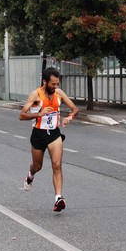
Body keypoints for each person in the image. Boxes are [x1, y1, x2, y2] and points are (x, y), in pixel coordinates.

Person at [19, 67, 79, 212]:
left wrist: (69, 117)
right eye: (53, 84)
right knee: (37, 166)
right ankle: (30, 175)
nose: (56, 87)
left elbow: (75, 109)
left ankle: (58, 198)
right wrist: (39, 114)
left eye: (57, 84)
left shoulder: (58, 94)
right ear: (45, 82)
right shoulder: (35, 95)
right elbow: (21, 115)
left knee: (57, 165)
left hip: (54, 134)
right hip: (38, 135)